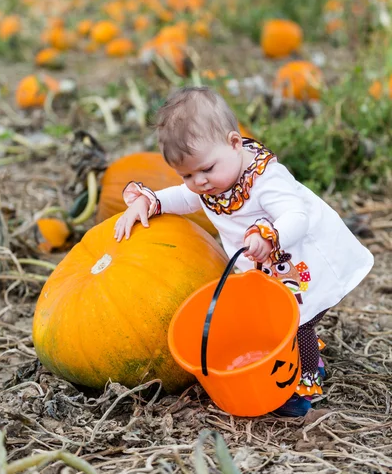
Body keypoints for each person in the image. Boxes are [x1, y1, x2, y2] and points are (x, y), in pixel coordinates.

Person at [114, 87, 374, 417]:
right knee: (272, 317)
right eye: (188, 174)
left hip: (300, 259)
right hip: (265, 266)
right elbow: (185, 197)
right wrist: (151, 202)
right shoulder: (213, 183)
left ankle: (304, 379)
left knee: (298, 323)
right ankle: (297, 361)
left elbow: (297, 216)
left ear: (235, 143)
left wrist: (272, 235)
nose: (200, 182)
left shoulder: (266, 179)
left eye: (206, 169)